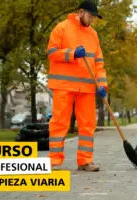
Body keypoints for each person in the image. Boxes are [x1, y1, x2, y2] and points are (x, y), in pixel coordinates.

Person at [46, 0, 107, 171]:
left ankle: (85, 160)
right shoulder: (62, 28)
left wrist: (102, 84)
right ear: (81, 12)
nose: (92, 20)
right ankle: (54, 161)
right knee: (60, 122)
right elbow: (51, 52)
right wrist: (72, 53)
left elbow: (99, 62)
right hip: (63, 85)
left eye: (94, 17)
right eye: (90, 16)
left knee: (88, 124)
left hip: (87, 87)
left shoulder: (93, 34)